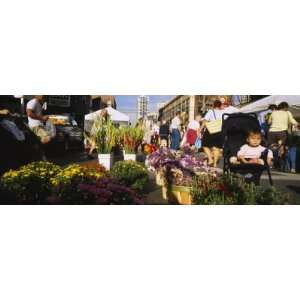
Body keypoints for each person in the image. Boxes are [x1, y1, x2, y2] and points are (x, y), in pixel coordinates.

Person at [201, 100, 224, 167]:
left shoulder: (211, 111)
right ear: (220, 105)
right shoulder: (223, 112)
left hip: (211, 130)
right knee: (217, 147)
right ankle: (215, 163)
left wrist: (200, 129)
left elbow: (205, 121)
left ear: (214, 105)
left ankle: (210, 159)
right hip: (220, 130)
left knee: (204, 144)